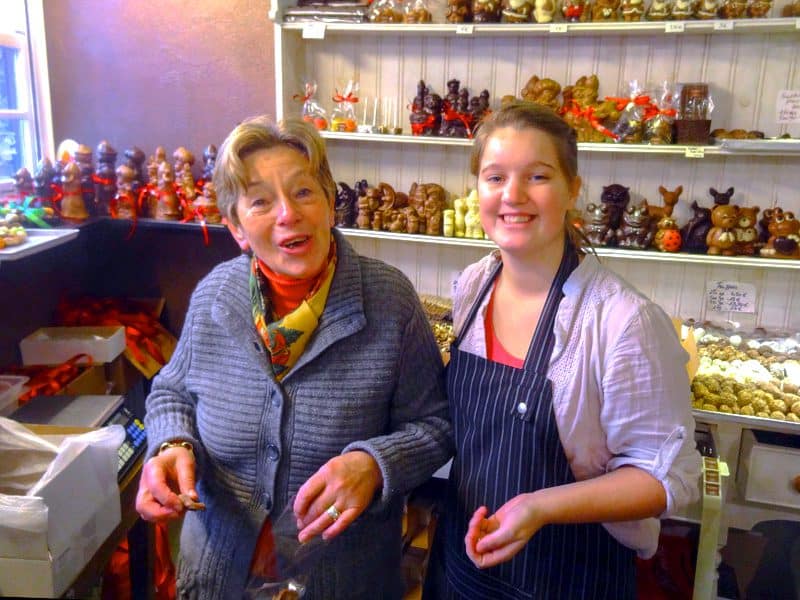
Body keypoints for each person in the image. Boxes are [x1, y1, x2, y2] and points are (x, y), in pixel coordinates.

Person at [135, 115, 453, 599]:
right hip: (220, 574)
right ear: (237, 228)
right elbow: (172, 391)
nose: (288, 214)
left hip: (345, 580)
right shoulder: (215, 296)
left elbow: (436, 425)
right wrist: (170, 445)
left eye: (304, 192)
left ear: (330, 204)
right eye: (261, 201)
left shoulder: (389, 300)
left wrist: (374, 463)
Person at [425, 101, 702, 599]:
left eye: (537, 176)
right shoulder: (473, 286)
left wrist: (540, 507)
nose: (512, 196)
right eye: (494, 177)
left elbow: (668, 478)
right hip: (463, 565)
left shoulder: (622, 321)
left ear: (573, 189)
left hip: (569, 576)